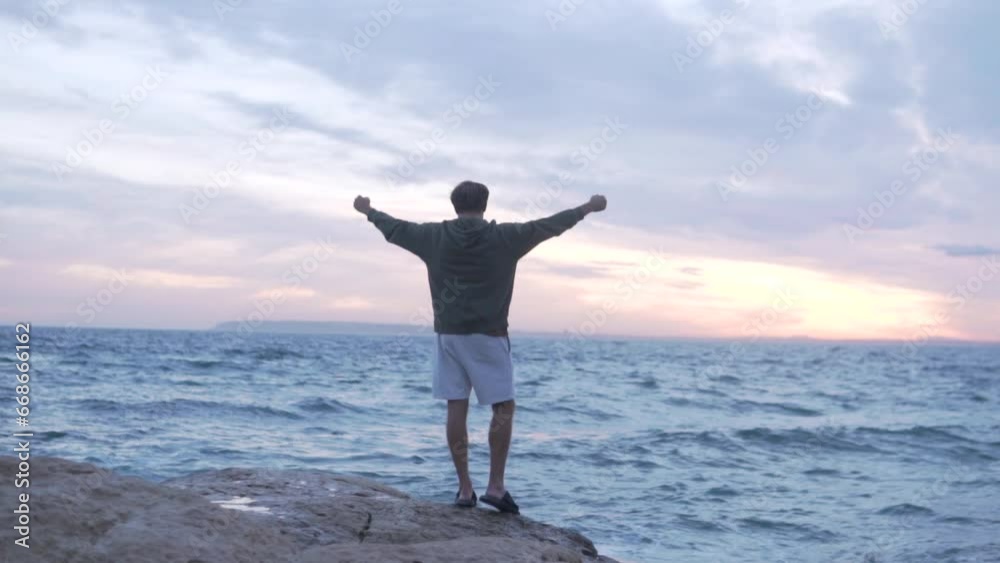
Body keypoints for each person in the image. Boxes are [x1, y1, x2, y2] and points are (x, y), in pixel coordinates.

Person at [353, 180, 607, 514]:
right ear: (485, 204)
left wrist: (368, 210)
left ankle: (463, 489)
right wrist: (587, 207)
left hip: (449, 336)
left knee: (456, 406)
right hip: (489, 336)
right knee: (503, 407)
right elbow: (550, 226)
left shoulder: (434, 237)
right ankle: (496, 487)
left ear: (454, 204)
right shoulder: (505, 238)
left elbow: (395, 228)